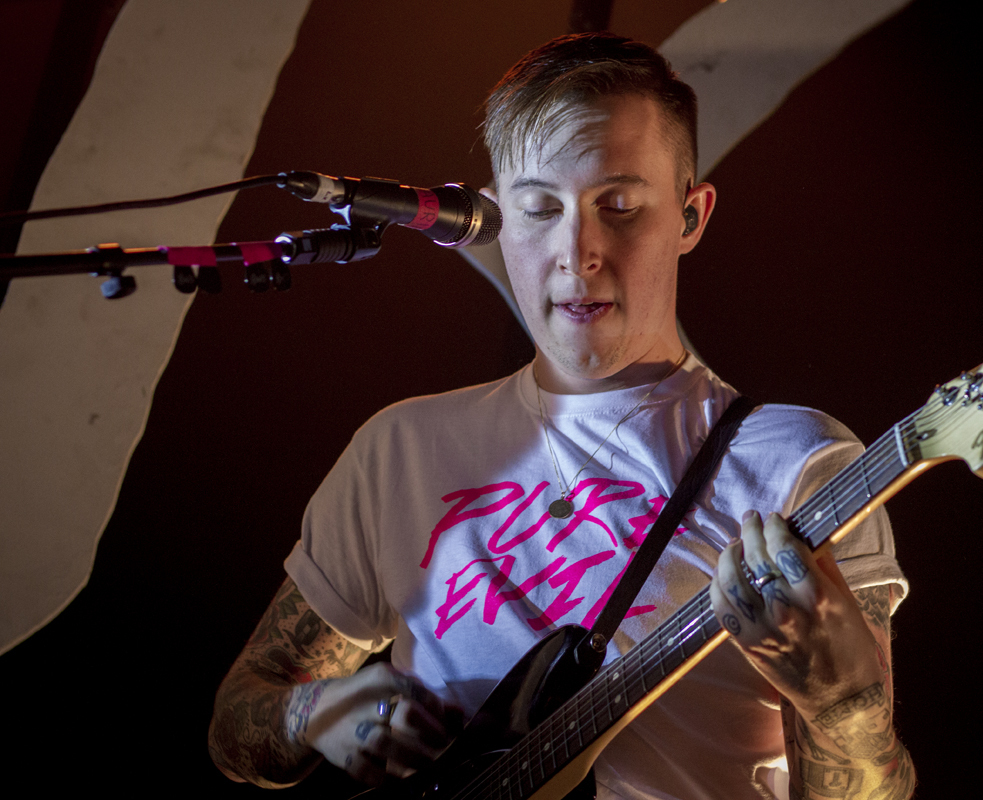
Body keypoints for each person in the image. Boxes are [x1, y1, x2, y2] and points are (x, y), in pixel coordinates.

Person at [208, 33, 914, 800]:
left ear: (690, 214)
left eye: (618, 205)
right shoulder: (400, 451)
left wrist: (846, 707)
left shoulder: (798, 464)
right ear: (494, 221)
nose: (577, 252)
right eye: (539, 207)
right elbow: (239, 729)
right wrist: (316, 710)